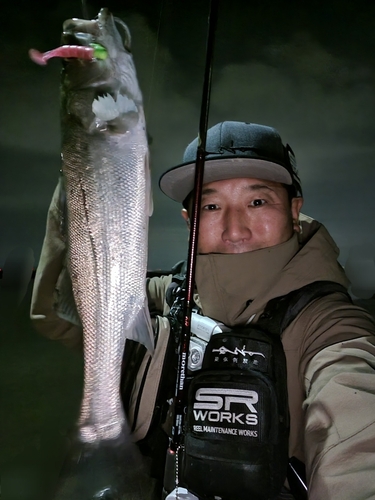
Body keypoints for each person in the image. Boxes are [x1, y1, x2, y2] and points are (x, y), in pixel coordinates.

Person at [30, 121, 375, 499]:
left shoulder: (331, 326)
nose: (234, 229)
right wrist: (86, 177)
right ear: (189, 221)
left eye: (257, 202)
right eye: (211, 206)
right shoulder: (164, 297)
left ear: (294, 211)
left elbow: (357, 439)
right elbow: (59, 309)